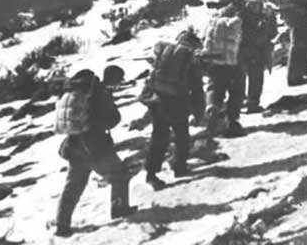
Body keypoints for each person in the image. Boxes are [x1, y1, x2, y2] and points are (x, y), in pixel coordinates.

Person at [54, 69, 133, 238]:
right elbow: (113, 118)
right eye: (119, 80)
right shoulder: (100, 93)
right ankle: (119, 209)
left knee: (73, 187)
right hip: (95, 145)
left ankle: (62, 225)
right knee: (120, 174)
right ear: (113, 79)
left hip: (74, 144)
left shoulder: (78, 90)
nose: (119, 84)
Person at [143, 28, 205, 190]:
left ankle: (151, 174)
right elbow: (197, 89)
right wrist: (199, 112)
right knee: (182, 136)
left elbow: (151, 78)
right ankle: (180, 167)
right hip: (178, 103)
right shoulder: (190, 60)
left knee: (159, 137)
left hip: (157, 101)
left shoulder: (164, 54)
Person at [200, 0, 246, 138]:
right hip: (234, 61)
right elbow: (245, 39)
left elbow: (205, 37)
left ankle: (212, 115)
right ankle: (232, 122)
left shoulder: (217, 16)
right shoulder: (242, 15)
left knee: (215, 89)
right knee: (236, 92)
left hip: (215, 60)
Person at [237, 0, 277, 112]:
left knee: (241, 77)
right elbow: (271, 32)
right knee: (256, 77)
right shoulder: (264, 9)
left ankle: (239, 103)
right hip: (256, 48)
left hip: (241, 48)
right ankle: (252, 104)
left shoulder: (242, 8)